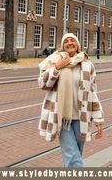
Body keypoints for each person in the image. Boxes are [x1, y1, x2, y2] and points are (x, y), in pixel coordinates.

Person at [38, 33, 104, 167]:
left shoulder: (87, 65)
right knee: (73, 157)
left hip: (81, 117)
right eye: (66, 41)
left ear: (77, 44)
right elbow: (42, 84)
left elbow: (92, 92)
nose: (69, 43)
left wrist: (98, 118)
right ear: (63, 46)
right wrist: (57, 68)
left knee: (75, 155)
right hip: (62, 117)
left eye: (72, 40)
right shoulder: (53, 61)